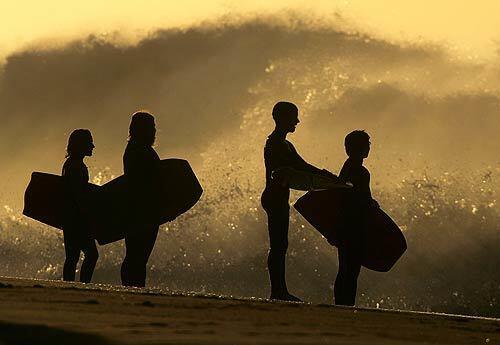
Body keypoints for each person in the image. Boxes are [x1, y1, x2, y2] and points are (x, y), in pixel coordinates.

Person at [261, 101, 336, 301]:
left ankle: (279, 290)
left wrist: (325, 175)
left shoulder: (285, 143)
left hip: (278, 197)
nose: (297, 121)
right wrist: (325, 177)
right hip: (274, 197)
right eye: (294, 117)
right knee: (279, 245)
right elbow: (295, 169)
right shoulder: (275, 144)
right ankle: (278, 291)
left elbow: (302, 166)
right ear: (282, 118)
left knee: (280, 244)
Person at [334, 130, 378, 306]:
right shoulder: (358, 170)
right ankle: (345, 304)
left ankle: (342, 303)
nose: (368, 147)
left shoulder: (348, 167)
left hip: (347, 224)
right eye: (365, 144)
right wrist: (372, 205)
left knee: (347, 267)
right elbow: (359, 199)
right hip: (353, 225)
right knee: (350, 268)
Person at [120, 111, 161, 287]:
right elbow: (144, 182)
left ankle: (134, 287)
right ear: (140, 129)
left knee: (137, 256)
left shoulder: (136, 148)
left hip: (140, 210)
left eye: (154, 127)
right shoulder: (138, 150)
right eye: (150, 127)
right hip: (141, 211)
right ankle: (132, 288)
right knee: (137, 255)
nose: (154, 131)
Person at [62, 129, 98, 283]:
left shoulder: (72, 163)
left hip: (70, 217)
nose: (93, 146)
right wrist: (88, 215)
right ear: (81, 145)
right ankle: (83, 285)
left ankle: (70, 285)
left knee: (72, 256)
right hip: (77, 218)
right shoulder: (76, 166)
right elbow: (78, 195)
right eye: (89, 143)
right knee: (90, 255)